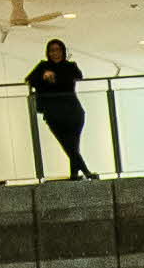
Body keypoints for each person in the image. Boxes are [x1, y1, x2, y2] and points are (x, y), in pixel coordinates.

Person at [25, 37, 93, 177]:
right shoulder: (43, 66)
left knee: (73, 145)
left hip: (73, 111)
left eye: (58, 50)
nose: (55, 53)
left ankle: (75, 174)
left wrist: (55, 76)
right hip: (53, 112)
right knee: (68, 145)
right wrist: (44, 76)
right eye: (52, 51)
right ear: (48, 53)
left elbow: (78, 76)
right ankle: (85, 172)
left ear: (63, 51)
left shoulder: (70, 66)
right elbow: (29, 80)